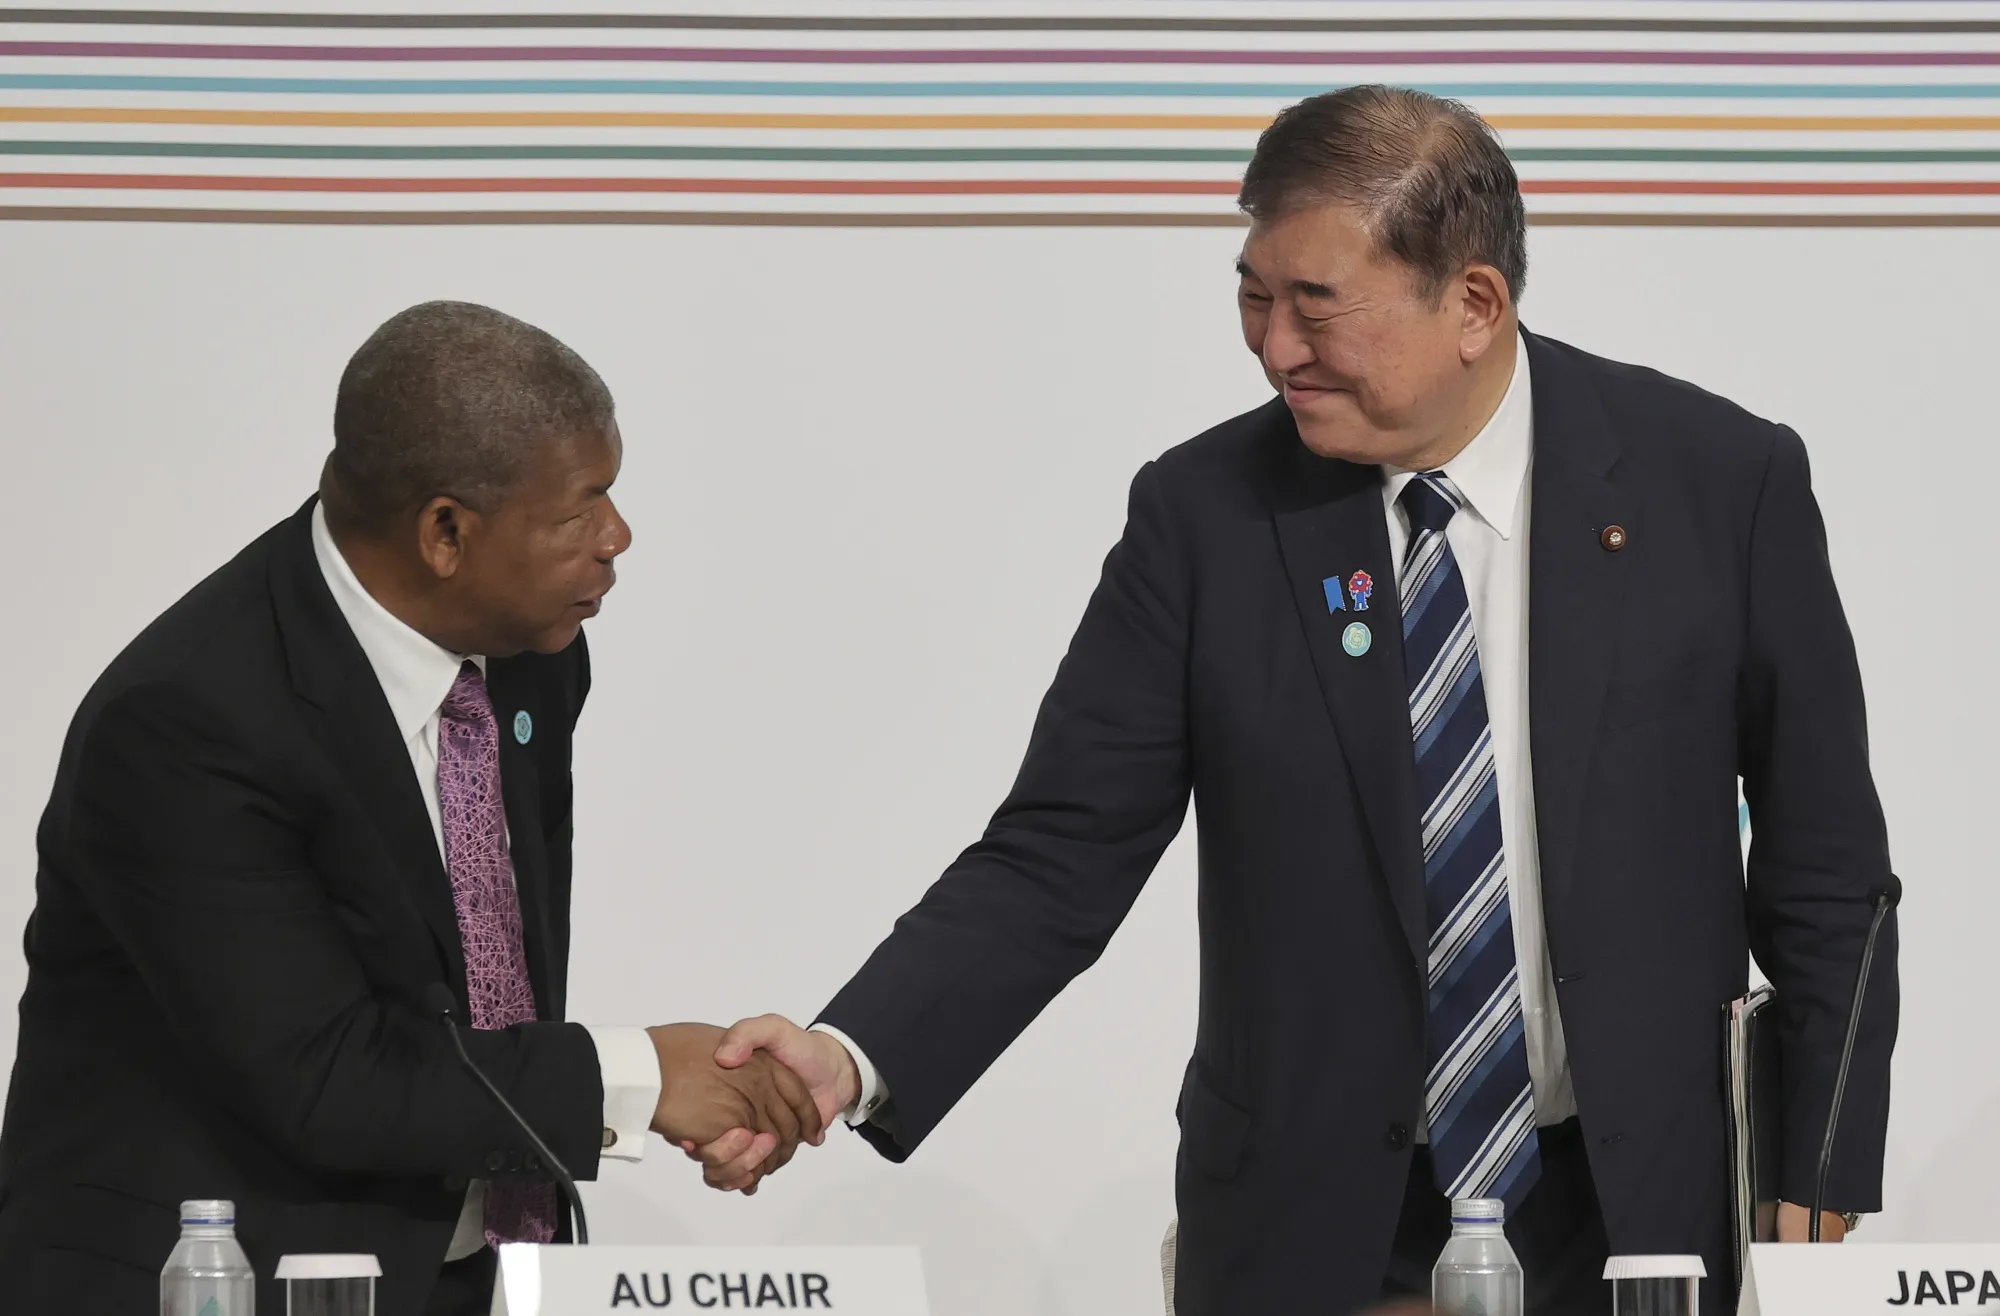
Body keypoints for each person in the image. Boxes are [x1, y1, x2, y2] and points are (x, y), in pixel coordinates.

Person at [695, 87, 1898, 1314]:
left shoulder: (1716, 482)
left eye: (1314, 305)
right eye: (1252, 298)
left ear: (1473, 303)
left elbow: (1822, 857)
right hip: (1314, 1210)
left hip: (1631, 1202)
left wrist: (1816, 1156)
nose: (1272, 347)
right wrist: (850, 1054)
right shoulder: (1203, 515)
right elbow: (1060, 848)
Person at [0, 302, 821, 1315]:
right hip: (219, 1272)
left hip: (450, 1265)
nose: (618, 535)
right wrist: (645, 1078)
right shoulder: (187, 720)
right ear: (445, 531)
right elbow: (323, 1071)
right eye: (581, 507)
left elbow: (484, 976)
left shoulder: (529, 658)